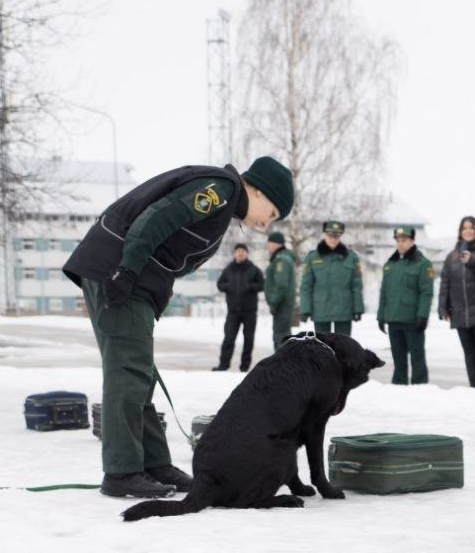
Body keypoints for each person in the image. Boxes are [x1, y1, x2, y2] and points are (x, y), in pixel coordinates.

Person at [63, 155, 292, 498]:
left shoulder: (223, 198)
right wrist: (126, 270)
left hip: (129, 275)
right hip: (119, 272)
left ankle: (154, 463)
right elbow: (155, 219)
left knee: (139, 373)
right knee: (127, 372)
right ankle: (121, 471)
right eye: (271, 213)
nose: (264, 224)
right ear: (260, 190)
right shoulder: (220, 190)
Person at [439, 216, 475, 388]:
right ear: (460, 232)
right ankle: (474, 388)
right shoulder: (452, 257)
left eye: (472, 227)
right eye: (464, 228)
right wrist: (443, 308)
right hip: (460, 312)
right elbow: (445, 283)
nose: (468, 231)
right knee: (469, 354)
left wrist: (473, 261)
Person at [377, 225, 434, 386]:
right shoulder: (390, 265)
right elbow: (384, 293)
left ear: (412, 241)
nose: (400, 243)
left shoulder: (422, 264)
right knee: (398, 360)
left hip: (412, 320)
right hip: (394, 319)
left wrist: (422, 316)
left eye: (404, 240)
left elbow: (426, 293)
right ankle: (398, 388)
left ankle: (420, 387)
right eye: (398, 240)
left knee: (417, 359)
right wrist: (381, 316)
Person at [299, 220, 364, 335]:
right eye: (330, 235)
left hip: (344, 310)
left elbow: (356, 285)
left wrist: (358, 308)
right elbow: (306, 286)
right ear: (324, 234)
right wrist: (305, 309)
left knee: (343, 344)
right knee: (322, 344)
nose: (333, 239)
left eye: (336, 236)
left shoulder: (351, 258)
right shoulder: (313, 258)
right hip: (320, 310)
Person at [214, 243, 264, 372]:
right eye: (238, 251)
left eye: (243, 251)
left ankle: (244, 366)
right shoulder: (228, 269)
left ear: (246, 253)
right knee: (229, 338)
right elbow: (220, 284)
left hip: (249, 311)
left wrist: (250, 286)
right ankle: (223, 365)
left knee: (248, 339)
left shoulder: (253, 269)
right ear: (234, 253)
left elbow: (262, 284)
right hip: (233, 311)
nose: (240, 253)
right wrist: (228, 286)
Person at [263, 232, 298, 349]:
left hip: (281, 305)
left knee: (280, 336)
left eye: (269, 243)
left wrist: (274, 302)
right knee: (283, 335)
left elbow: (281, 284)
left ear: (275, 243)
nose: (268, 246)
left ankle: (283, 360)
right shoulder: (282, 258)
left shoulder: (281, 260)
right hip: (282, 304)